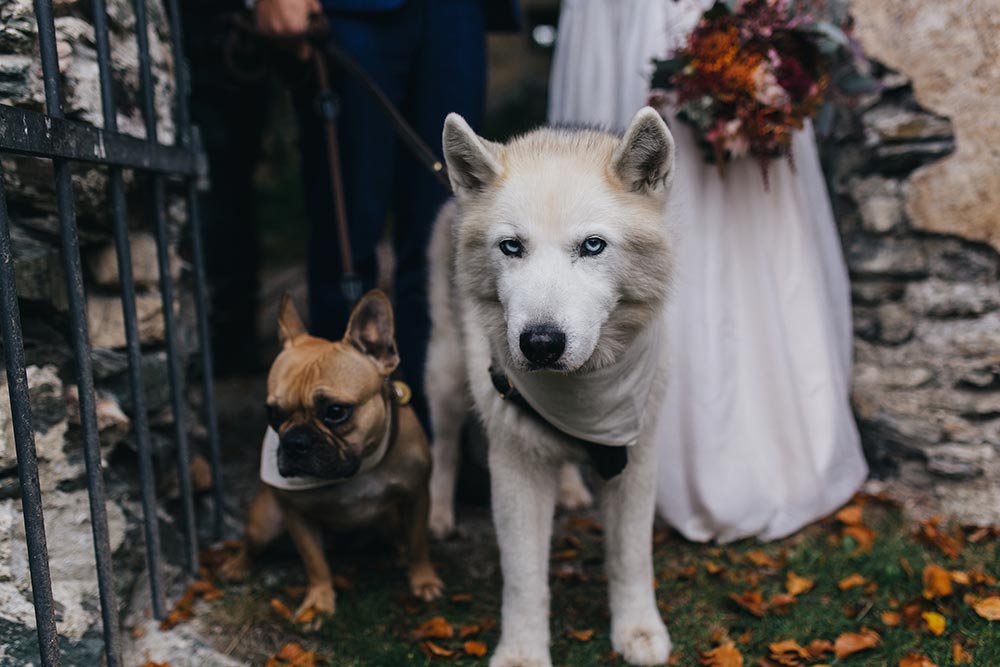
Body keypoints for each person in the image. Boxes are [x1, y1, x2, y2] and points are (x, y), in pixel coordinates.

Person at [548, 0, 868, 542]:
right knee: (666, 205)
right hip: (643, 25)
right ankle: (673, 452)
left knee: (756, 222)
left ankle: (789, 443)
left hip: (729, 21)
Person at [253, 0, 511, 429]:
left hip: (456, 15)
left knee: (448, 232)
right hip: (351, 13)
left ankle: (439, 440)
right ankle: (336, 428)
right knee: (346, 228)